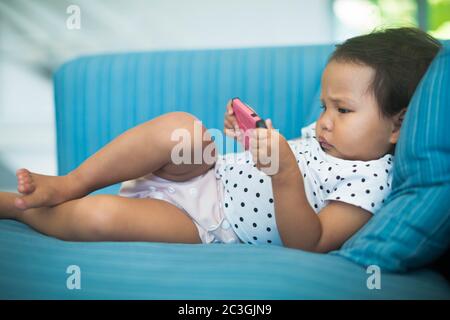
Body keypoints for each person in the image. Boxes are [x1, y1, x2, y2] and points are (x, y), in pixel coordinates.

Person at [0, 27, 441, 252]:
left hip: (209, 222)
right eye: (324, 106)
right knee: (183, 128)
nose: (324, 122)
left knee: (101, 218)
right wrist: (251, 137)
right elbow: (284, 154)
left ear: (398, 125)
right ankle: (70, 182)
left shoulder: (373, 181)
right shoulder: (332, 139)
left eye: (342, 110)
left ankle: (19, 210)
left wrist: (284, 173)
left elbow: (311, 242)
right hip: (207, 172)